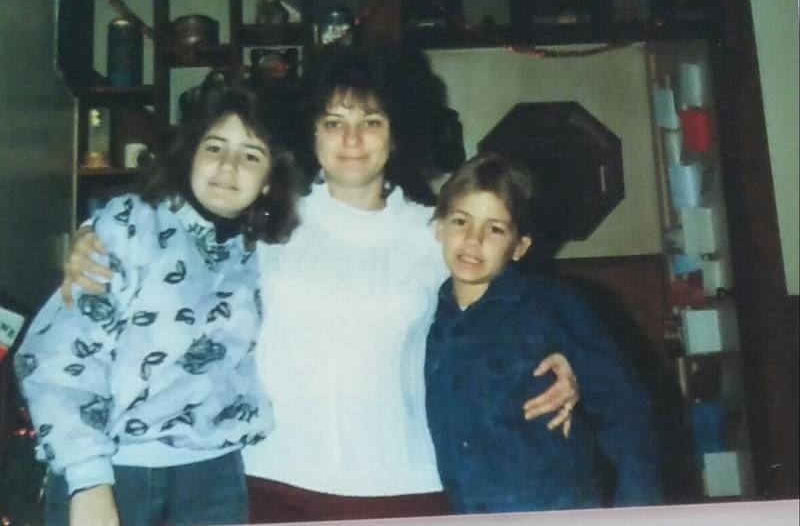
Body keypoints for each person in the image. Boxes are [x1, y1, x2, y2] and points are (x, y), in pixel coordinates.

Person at [61, 45, 580, 523]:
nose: (351, 140)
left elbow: (517, 309)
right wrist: (93, 236)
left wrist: (566, 361)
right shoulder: (266, 220)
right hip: (271, 484)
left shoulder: (435, 234)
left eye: (370, 122)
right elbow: (169, 230)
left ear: (396, 134)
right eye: (334, 122)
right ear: (312, 133)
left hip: (405, 484)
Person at [15, 86, 299, 526]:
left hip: (214, 478)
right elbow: (57, 358)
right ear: (190, 157)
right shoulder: (130, 225)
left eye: (250, 155)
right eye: (215, 147)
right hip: (114, 471)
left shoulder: (262, 253)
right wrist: (88, 481)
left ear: (267, 182)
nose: (228, 166)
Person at [425, 153, 662, 514]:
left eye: (495, 229)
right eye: (461, 221)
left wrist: (639, 509)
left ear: (519, 246)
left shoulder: (551, 305)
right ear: (440, 227)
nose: (473, 239)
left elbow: (624, 407)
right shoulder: (429, 317)